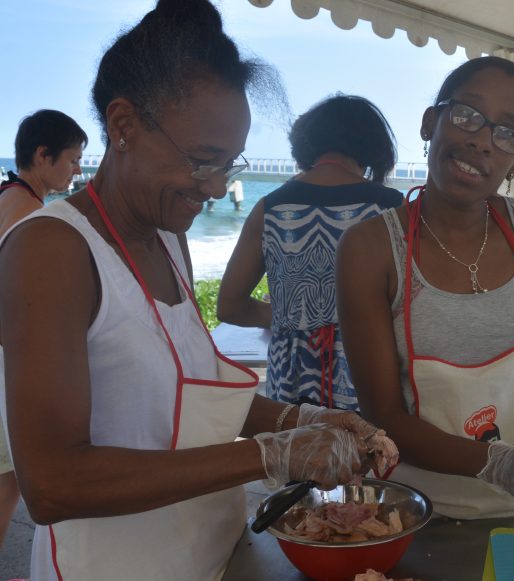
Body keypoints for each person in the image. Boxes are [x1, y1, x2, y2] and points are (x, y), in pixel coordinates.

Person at [0, 2, 394, 579]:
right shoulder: (50, 250)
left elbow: (191, 398)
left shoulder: (168, 238)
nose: (214, 188)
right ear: (124, 125)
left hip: (214, 551)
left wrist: (301, 420)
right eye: (201, 161)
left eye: (229, 166)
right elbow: (53, 484)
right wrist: (266, 455)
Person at [336, 56, 514, 519]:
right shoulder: (371, 248)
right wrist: (499, 461)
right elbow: (383, 419)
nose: (480, 139)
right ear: (430, 122)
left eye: (507, 131)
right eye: (467, 114)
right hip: (411, 512)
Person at [219, 94, 403, 412]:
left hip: (291, 392)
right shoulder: (389, 208)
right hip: (370, 378)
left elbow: (229, 307)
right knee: (373, 456)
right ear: (373, 145)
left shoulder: (269, 208)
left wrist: (291, 318)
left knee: (297, 458)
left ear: (307, 143)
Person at [0, 108, 87, 548]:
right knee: (7, 477)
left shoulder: (8, 195)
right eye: (72, 159)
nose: (78, 169)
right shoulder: (28, 214)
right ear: (42, 154)